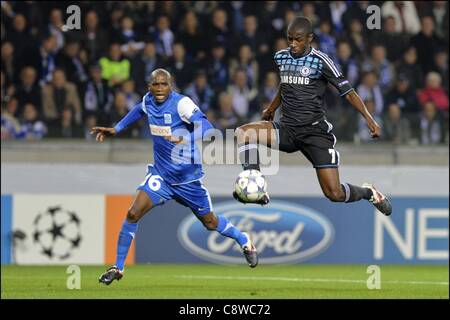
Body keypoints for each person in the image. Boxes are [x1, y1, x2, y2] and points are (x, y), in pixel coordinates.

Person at [92, 69, 258, 285]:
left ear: (171, 85)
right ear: (149, 86)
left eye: (164, 84)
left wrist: (186, 137)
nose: (159, 89)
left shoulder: (182, 104)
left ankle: (243, 239)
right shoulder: (148, 100)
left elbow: (207, 127)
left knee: (210, 222)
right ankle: (118, 267)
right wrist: (117, 128)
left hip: (188, 179)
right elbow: (139, 110)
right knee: (133, 213)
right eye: (155, 85)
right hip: (161, 176)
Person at [233, 17, 392, 216]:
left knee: (334, 194)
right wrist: (271, 108)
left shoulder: (321, 61)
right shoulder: (281, 57)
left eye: (297, 39)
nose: (292, 44)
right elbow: (286, 84)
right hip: (288, 130)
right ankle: (256, 186)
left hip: (314, 133)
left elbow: (349, 92)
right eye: (289, 39)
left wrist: (369, 119)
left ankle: (369, 192)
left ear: (310, 38)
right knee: (243, 133)